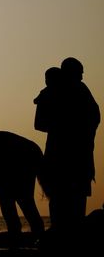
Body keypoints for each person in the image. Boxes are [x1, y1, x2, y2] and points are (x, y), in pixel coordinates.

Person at [34, 57, 100, 247]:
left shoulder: (79, 90)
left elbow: (95, 117)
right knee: (60, 200)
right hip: (63, 157)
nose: (81, 75)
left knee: (72, 201)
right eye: (79, 72)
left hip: (77, 157)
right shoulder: (53, 92)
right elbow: (39, 124)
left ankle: (69, 238)